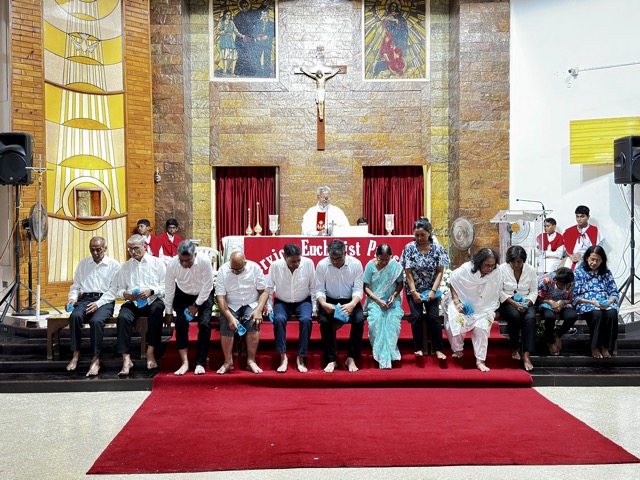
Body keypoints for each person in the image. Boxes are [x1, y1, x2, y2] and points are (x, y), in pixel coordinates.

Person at [65, 236, 120, 376]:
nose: (95, 253)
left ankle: (96, 358)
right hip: (85, 298)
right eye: (92, 250)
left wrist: (98, 303)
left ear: (105, 248)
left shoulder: (114, 265)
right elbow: (76, 286)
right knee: (75, 316)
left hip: (105, 299)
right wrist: (72, 298)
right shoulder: (83, 264)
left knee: (96, 321)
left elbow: (113, 290)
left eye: (98, 249)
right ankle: (76, 353)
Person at [113, 234, 167, 376]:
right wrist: (125, 294)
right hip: (133, 302)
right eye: (130, 249)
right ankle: (126, 358)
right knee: (123, 317)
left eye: (136, 248)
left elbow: (166, 285)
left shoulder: (157, 263)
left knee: (157, 310)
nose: (133, 252)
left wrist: (152, 291)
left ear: (145, 246)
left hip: (153, 300)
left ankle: (151, 351)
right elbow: (119, 289)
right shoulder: (125, 267)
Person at [442, 248, 501, 372]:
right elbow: (453, 281)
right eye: (487, 265)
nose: (490, 268)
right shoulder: (466, 269)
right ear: (479, 262)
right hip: (462, 301)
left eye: (492, 265)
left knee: (481, 327)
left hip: (484, 306)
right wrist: (457, 302)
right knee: (458, 321)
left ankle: (480, 360)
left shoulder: (496, 272)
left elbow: (496, 290)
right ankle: (457, 349)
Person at [400, 219, 449, 359]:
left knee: (434, 317)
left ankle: (438, 348)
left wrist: (433, 291)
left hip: (431, 289)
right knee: (416, 317)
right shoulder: (409, 248)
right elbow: (408, 272)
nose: (419, 238)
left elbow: (440, 271)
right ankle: (419, 347)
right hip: (413, 289)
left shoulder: (438, 248)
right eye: (416, 235)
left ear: (429, 233)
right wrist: (414, 292)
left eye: (422, 235)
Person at [164, 240, 215, 376]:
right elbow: (169, 289)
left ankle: (200, 363)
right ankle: (185, 362)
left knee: (204, 324)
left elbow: (208, 286)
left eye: (188, 260)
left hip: (204, 293)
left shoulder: (204, 261)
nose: (184, 264)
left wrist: (196, 305)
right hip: (183, 293)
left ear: (195, 255)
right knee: (181, 323)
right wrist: (168, 311)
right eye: (182, 260)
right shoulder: (172, 264)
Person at [315, 239, 365, 372]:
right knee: (324, 321)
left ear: (345, 253)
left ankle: (351, 357)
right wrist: (324, 304)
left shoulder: (356, 264)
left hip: (350, 300)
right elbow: (319, 290)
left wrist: (352, 305)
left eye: (338, 258)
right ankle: (331, 359)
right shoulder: (322, 265)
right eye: (332, 259)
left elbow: (358, 289)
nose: (335, 262)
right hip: (329, 300)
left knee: (359, 320)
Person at [215, 251, 269, 374]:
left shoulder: (254, 268)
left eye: (239, 269)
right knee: (226, 323)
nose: (236, 272)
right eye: (233, 270)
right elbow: (220, 297)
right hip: (231, 304)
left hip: (251, 302)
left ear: (245, 262)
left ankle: (251, 361)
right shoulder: (223, 270)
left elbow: (264, 291)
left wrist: (259, 310)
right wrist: (230, 317)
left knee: (253, 322)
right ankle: (228, 362)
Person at [266, 243, 316, 373]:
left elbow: (313, 287)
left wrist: (315, 307)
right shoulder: (275, 266)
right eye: (293, 261)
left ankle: (301, 357)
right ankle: (283, 357)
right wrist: (269, 307)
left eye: (298, 260)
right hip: (282, 302)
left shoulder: (308, 263)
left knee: (306, 320)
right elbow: (269, 288)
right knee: (279, 319)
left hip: (303, 301)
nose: (296, 264)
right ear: (284, 257)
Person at [573, 245, 619, 358]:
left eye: (597, 260)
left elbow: (614, 292)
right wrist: (592, 302)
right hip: (587, 303)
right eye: (592, 259)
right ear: (587, 258)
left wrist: (609, 301)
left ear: (602, 260)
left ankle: (606, 346)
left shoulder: (606, 272)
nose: (594, 262)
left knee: (612, 313)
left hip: (605, 302)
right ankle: (595, 346)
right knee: (597, 314)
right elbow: (574, 296)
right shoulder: (578, 272)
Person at [363, 244, 404, 369]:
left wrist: (394, 295)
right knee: (376, 321)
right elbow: (366, 287)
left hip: (392, 301)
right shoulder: (370, 266)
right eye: (381, 260)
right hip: (374, 301)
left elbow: (400, 284)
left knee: (392, 322)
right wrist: (378, 300)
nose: (384, 262)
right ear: (376, 256)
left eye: (387, 259)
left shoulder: (395, 266)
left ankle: (390, 354)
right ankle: (381, 356)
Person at [498, 245, 538, 371]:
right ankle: (514, 347)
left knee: (530, 318)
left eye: (519, 262)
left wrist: (527, 303)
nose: (516, 264)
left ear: (523, 261)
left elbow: (534, 291)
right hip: (508, 301)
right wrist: (514, 303)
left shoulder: (531, 270)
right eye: (513, 262)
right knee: (514, 316)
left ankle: (526, 355)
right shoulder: (501, 269)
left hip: (526, 300)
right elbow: (499, 290)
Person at [537, 267, 578, 356]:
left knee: (572, 316)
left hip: (563, 303)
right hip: (546, 303)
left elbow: (570, 299)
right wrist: (550, 302)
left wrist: (562, 302)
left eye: (565, 285)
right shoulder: (547, 280)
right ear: (556, 280)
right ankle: (550, 340)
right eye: (560, 285)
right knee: (549, 317)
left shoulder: (571, 282)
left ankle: (558, 335)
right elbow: (539, 299)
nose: (562, 287)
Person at [563, 205, 604, 270]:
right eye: (577, 216)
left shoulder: (595, 231)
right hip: (571, 262)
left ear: (588, 217)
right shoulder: (569, 231)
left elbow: (598, 250)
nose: (579, 219)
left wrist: (583, 256)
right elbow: (564, 248)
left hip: (588, 262)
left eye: (582, 216)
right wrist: (571, 256)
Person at [216, 10, 241, 76]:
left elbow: (236, 31)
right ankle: (224, 72)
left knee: (234, 57)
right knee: (225, 57)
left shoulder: (231, 22)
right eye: (227, 14)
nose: (228, 16)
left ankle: (232, 72)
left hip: (230, 40)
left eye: (229, 14)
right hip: (224, 40)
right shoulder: (221, 22)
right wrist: (224, 31)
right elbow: (218, 32)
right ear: (224, 15)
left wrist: (242, 36)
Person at [251, 9, 275, 78]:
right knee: (257, 57)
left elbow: (273, 32)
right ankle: (259, 73)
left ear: (268, 14)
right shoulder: (258, 22)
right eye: (262, 14)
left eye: (265, 14)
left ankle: (267, 74)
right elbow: (254, 31)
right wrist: (256, 37)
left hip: (267, 43)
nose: (263, 15)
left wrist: (267, 36)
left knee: (267, 58)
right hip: (259, 43)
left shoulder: (272, 23)